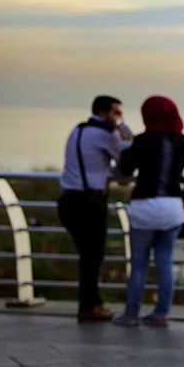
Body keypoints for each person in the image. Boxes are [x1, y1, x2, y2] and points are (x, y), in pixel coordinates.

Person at [113, 96, 184, 328]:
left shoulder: (142, 141)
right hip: (172, 207)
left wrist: (125, 145)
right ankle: (161, 313)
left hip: (144, 207)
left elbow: (125, 169)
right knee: (165, 262)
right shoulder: (181, 140)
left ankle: (131, 313)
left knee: (139, 264)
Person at [57, 95, 129, 322]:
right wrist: (126, 140)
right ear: (103, 113)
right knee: (93, 256)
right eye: (116, 113)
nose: (119, 118)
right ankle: (88, 308)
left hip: (68, 201)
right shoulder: (108, 135)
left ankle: (93, 303)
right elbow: (125, 171)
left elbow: (91, 164)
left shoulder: (77, 131)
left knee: (88, 255)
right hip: (90, 202)